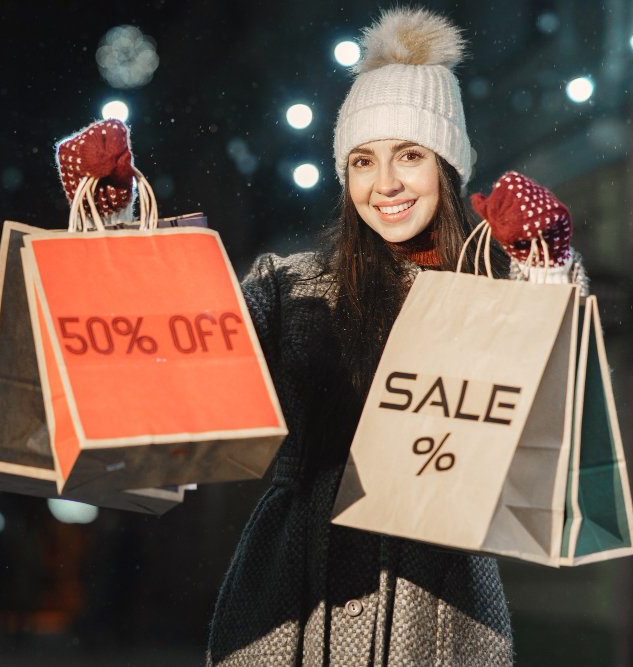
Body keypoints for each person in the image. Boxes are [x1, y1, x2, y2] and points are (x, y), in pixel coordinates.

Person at [206, 8, 587, 666]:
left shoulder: (496, 286)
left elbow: (562, 383)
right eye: (362, 161)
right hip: (288, 595)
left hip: (438, 598)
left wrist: (544, 262)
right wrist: (114, 218)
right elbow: (182, 357)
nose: (384, 184)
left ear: (448, 166)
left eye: (409, 155)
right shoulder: (287, 283)